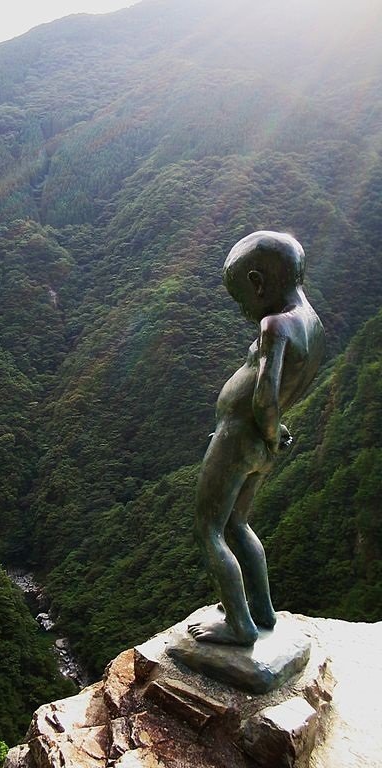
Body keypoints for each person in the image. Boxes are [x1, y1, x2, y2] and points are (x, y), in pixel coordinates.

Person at [190, 231, 325, 645]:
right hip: (262, 442)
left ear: (258, 282)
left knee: (208, 529)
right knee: (238, 523)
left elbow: (266, 395)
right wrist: (274, 436)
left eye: (241, 298)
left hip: (241, 436)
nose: (244, 310)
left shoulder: (274, 325)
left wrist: (267, 431)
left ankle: (239, 625)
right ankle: (262, 612)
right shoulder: (313, 325)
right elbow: (287, 391)